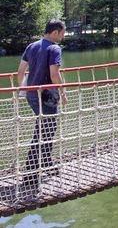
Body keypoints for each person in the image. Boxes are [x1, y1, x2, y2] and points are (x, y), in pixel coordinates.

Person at [17, 20, 67, 194]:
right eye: (62, 33)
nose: (63, 36)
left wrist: (24, 89)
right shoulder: (54, 49)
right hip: (46, 96)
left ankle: (45, 162)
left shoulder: (31, 46)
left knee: (44, 128)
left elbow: (21, 71)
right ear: (55, 33)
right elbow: (54, 74)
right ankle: (30, 174)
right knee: (45, 131)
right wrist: (63, 93)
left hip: (32, 95)